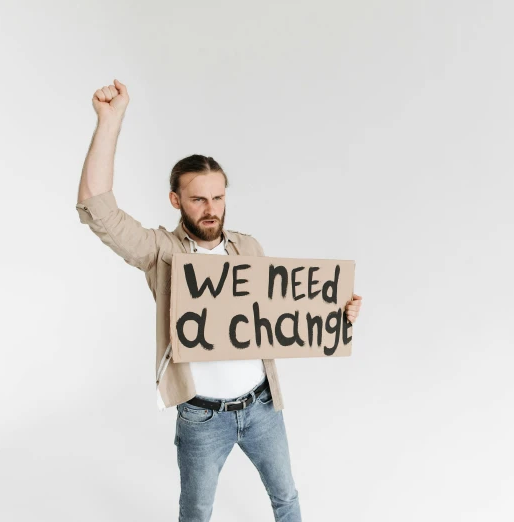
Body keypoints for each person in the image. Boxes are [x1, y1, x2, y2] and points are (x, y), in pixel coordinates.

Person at [75, 79, 363, 522]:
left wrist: (337, 314)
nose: (211, 208)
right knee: (196, 514)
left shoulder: (248, 249)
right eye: (198, 199)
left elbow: (282, 314)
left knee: (287, 500)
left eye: (218, 197)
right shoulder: (162, 252)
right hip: (201, 419)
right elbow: (98, 207)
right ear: (176, 200)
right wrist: (110, 121)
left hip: (263, 406)